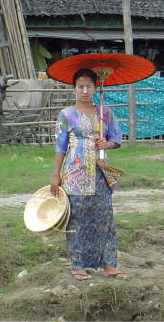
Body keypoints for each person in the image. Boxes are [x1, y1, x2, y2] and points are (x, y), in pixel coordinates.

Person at [50, 68, 127, 281]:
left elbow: (117, 139)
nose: (84, 91)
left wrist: (107, 143)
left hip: (101, 174)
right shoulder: (66, 115)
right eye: (80, 86)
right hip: (74, 175)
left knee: (104, 219)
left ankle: (109, 264)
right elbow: (60, 147)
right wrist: (55, 175)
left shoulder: (105, 113)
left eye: (89, 86)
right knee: (77, 220)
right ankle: (78, 265)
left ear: (95, 88)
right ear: (74, 88)